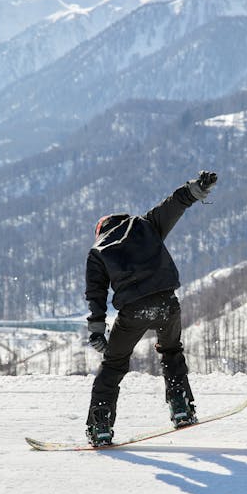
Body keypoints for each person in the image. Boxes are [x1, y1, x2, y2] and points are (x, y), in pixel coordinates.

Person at [84, 171, 218, 446]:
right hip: (167, 303)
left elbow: (96, 293)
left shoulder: (98, 250)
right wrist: (196, 187)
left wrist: (98, 330)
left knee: (113, 364)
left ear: (100, 230)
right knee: (171, 351)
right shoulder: (145, 225)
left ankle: (100, 426)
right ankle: (181, 408)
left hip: (133, 310)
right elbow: (174, 205)